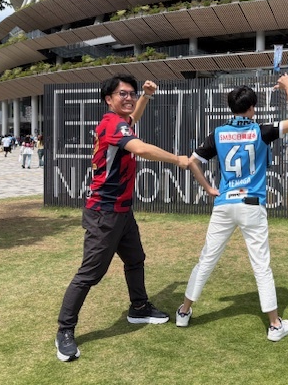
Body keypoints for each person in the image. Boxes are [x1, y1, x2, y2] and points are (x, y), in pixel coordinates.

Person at [55, 75, 189, 362]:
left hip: (122, 210)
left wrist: (146, 97)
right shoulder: (112, 123)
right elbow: (140, 148)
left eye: (132, 93)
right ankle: (64, 331)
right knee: (89, 274)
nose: (128, 98)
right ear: (109, 99)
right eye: (122, 94)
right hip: (104, 212)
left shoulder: (120, 122)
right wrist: (178, 159)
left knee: (135, 259)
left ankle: (139, 308)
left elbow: (132, 119)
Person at [176, 74, 288, 342]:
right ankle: (274, 325)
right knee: (261, 265)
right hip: (252, 205)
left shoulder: (218, 133)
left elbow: (192, 162)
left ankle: (184, 312)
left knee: (206, 259)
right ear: (251, 107)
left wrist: (208, 188)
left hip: (225, 204)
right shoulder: (261, 131)